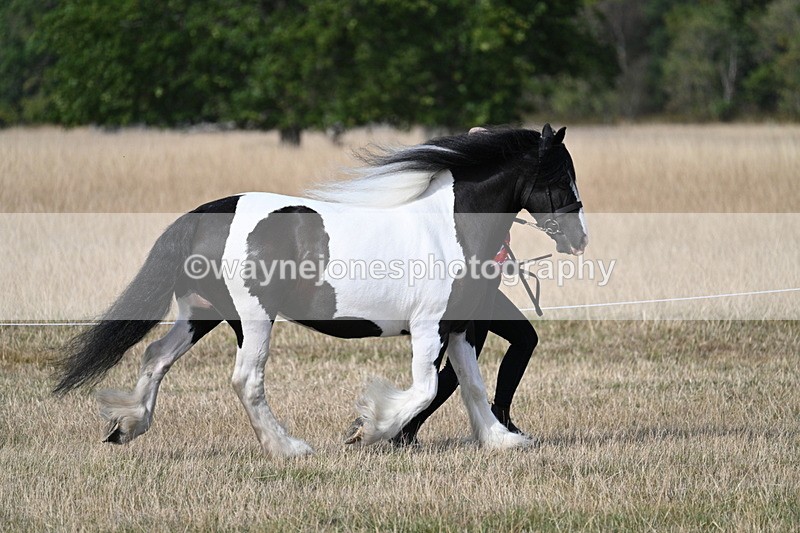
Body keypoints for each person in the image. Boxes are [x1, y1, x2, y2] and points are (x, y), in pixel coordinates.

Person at [345, 233, 539, 446]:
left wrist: (503, 262)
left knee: (525, 339)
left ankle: (500, 415)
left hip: (486, 290)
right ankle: (402, 425)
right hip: (473, 292)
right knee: (458, 370)